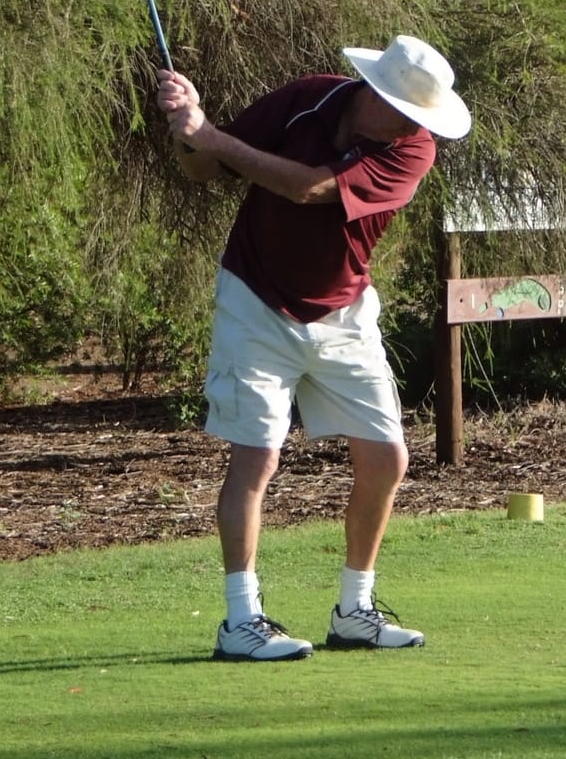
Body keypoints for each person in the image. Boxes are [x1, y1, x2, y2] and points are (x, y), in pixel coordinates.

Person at [155, 35, 471, 662]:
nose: (415, 125)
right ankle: (240, 622)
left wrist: (213, 136)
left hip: (344, 312)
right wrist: (186, 129)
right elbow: (203, 169)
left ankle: (355, 610)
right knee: (256, 460)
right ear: (375, 93)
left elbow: (308, 188)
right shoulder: (308, 100)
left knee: (388, 457)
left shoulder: (413, 151)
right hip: (255, 301)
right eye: (406, 110)